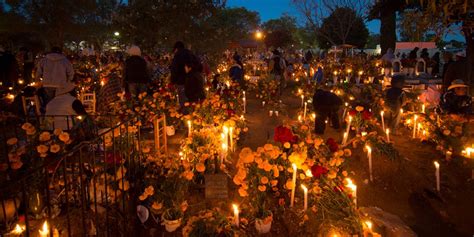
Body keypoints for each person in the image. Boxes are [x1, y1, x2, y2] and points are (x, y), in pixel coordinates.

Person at [170, 41, 193, 106]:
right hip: (191, 81)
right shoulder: (190, 54)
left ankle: (185, 113)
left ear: (176, 48)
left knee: (183, 102)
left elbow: (174, 69)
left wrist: (173, 81)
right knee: (191, 101)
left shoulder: (177, 56)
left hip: (181, 81)